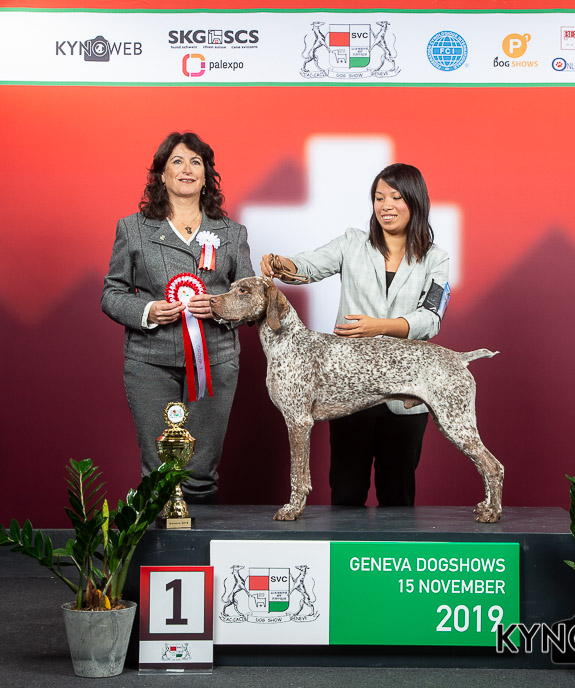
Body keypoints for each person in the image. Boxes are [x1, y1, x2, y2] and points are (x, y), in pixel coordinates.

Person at [261, 163, 450, 507]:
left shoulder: (436, 259)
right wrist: (282, 263)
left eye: (396, 197)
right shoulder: (352, 242)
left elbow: (431, 317)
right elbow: (309, 265)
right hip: (348, 390)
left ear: (416, 201)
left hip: (407, 392)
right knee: (346, 492)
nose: (386, 205)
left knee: (398, 496)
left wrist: (379, 326)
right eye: (379, 197)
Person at [102, 132, 253, 504]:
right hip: (149, 362)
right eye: (177, 161)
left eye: (196, 162)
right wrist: (147, 310)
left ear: (206, 177)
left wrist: (219, 307)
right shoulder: (132, 228)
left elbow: (250, 299)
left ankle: (201, 539)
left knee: (200, 472)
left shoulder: (233, 233)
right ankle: (160, 541)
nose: (187, 169)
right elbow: (111, 293)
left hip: (215, 361)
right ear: (161, 175)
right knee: (158, 471)